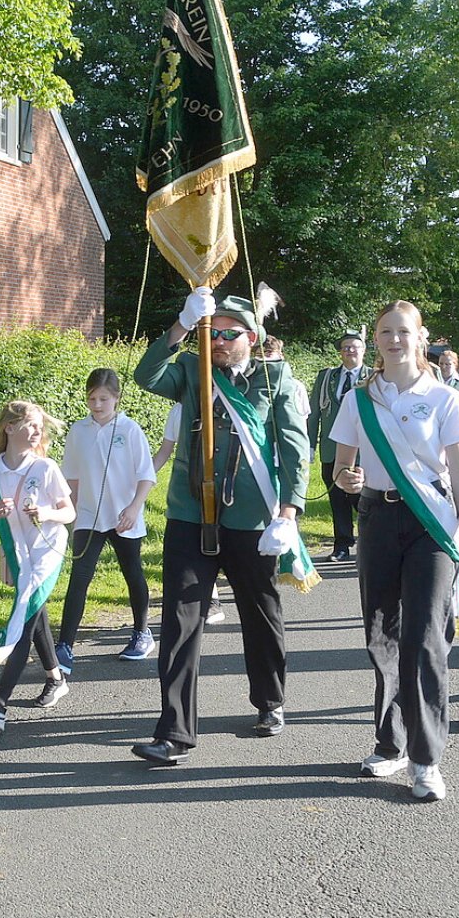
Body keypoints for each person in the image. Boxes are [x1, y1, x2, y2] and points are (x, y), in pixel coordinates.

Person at [130, 288, 310, 764]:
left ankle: (270, 702)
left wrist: (289, 512)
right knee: (181, 621)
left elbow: (294, 449)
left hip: (251, 519)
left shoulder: (277, 381)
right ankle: (175, 732)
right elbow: (145, 375)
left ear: (252, 337)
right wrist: (182, 326)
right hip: (191, 513)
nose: (219, 341)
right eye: (213, 331)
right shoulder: (192, 370)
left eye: (229, 333)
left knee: (261, 612)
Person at [330, 300, 459, 803]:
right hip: (377, 519)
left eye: (403, 331)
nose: (393, 339)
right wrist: (346, 478)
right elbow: (341, 468)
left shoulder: (443, 397)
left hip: (430, 524)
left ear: (420, 337)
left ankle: (426, 758)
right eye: (384, 332)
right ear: (375, 340)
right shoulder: (358, 400)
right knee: (382, 634)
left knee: (424, 639)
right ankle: (391, 741)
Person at [0, 401, 75, 731]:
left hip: (47, 551)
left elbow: (69, 512)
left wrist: (47, 514)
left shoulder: (45, 469)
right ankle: (56, 677)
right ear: (9, 428)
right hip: (16, 555)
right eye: (30, 424)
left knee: (25, 614)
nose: (37, 431)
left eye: (39, 426)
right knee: (34, 612)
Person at [57, 369, 157, 668]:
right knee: (80, 578)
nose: (97, 405)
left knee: (133, 574)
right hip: (88, 516)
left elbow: (146, 476)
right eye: (92, 398)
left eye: (103, 398)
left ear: (116, 398)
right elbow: (71, 478)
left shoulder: (129, 430)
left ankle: (142, 632)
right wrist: (69, 517)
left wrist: (134, 508)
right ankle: (64, 646)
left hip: (124, 516)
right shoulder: (78, 431)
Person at [155, 402, 226, 626]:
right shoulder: (178, 411)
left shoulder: (221, 405)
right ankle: (210, 598)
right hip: (191, 487)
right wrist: (140, 477)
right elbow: (165, 451)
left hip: (225, 484)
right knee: (200, 540)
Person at [307, 329, 368, 563]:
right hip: (332, 448)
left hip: (363, 452)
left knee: (363, 501)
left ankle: (368, 542)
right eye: (345, 347)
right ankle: (342, 545)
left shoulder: (373, 376)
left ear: (363, 351)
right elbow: (314, 413)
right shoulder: (326, 377)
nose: (349, 351)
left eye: (354, 347)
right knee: (337, 500)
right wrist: (310, 445)